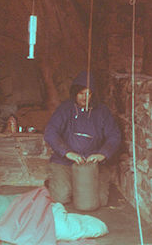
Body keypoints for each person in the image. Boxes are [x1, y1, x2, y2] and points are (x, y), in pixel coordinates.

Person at [44, 70, 121, 206]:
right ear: (75, 93)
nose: (85, 98)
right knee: (62, 197)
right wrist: (67, 153)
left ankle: (77, 186)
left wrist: (102, 154)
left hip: (92, 164)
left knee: (100, 201)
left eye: (88, 93)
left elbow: (114, 136)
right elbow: (50, 132)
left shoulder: (102, 111)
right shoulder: (65, 109)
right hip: (65, 162)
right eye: (81, 93)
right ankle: (58, 183)